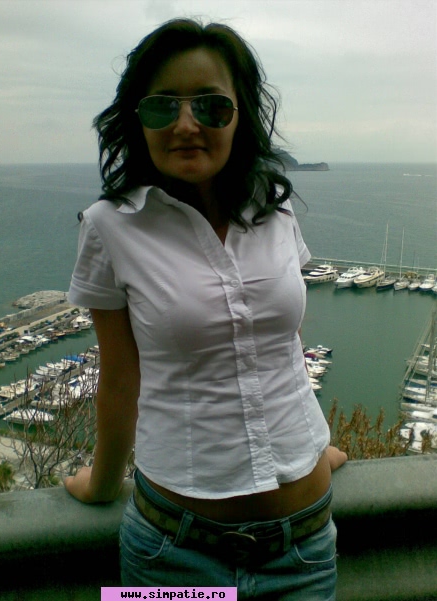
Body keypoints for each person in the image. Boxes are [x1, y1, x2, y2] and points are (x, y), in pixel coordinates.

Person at [65, 18, 347, 599]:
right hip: (172, 553)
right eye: (163, 106)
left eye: (212, 107)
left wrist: (311, 447)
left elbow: (281, 346)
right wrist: (102, 484)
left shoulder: (275, 210)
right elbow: (119, 378)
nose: (187, 124)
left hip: (306, 545)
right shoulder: (109, 227)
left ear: (241, 116)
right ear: (137, 119)